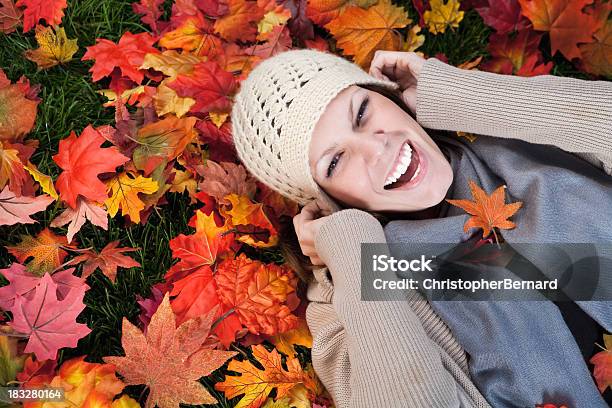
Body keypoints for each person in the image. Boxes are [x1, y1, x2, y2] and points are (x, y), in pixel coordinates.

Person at [230, 48, 612, 407]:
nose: (376, 149)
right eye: (335, 163)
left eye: (362, 112)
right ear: (323, 200)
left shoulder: (516, 136)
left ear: (388, 97)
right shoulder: (343, 304)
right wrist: (354, 250)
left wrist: (464, 97)